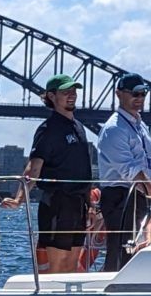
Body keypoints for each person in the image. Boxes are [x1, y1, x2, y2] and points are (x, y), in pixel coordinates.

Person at [15, 74, 96, 273]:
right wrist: (19, 198)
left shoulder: (78, 127)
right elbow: (34, 167)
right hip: (57, 203)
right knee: (57, 265)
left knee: (72, 263)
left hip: (79, 204)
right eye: (66, 92)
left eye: (74, 91)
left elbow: (83, 170)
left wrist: (91, 205)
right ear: (51, 96)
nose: (72, 95)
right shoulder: (48, 129)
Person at [94, 73, 151, 271]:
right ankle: (111, 286)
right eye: (134, 94)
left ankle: (128, 283)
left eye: (143, 94)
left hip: (138, 194)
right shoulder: (113, 129)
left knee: (133, 244)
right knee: (120, 247)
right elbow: (129, 169)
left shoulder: (140, 125)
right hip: (119, 195)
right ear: (118, 94)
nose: (139, 99)